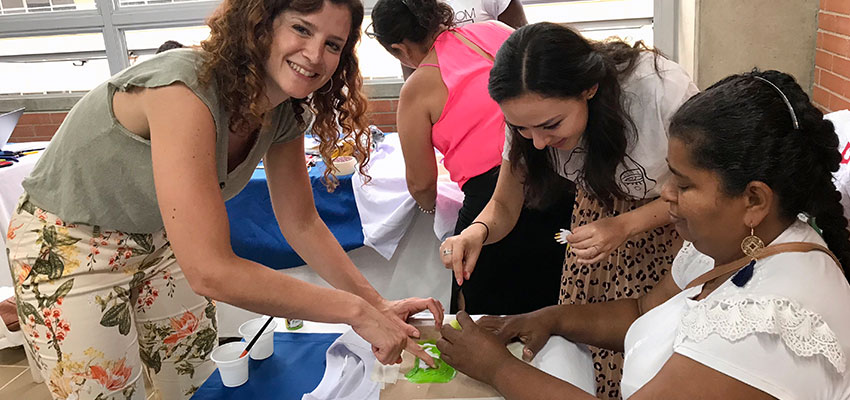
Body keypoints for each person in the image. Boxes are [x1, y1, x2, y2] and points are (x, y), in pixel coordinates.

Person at [4, 0, 443, 398]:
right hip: (67, 243)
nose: (314, 54)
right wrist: (354, 313)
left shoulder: (282, 112)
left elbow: (302, 223)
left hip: (158, 242)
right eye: (302, 29)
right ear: (261, 25)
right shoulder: (184, 87)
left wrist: (376, 305)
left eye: (333, 44)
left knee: (196, 382)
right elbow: (211, 271)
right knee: (105, 392)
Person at [436, 70, 850, 399]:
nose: (664, 194)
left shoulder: (768, 326)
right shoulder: (728, 246)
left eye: (684, 185)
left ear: (754, 200)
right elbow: (643, 310)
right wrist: (549, 317)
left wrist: (498, 369)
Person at [438, 22, 698, 397]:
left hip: (675, 226)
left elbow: (701, 190)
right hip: (601, 228)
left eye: (551, 125)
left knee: (655, 346)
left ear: (589, 88)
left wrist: (625, 225)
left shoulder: (658, 91)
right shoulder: (528, 113)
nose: (540, 143)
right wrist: (475, 232)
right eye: (524, 130)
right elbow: (504, 203)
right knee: (590, 348)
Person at [369, 0, 572, 315]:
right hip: (559, 170)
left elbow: (422, 183)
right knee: (559, 298)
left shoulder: (417, 88)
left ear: (400, 49)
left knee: (479, 312)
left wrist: (431, 208)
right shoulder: (496, 30)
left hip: (494, 195)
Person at [393, 0, 527, 79]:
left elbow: (521, 42)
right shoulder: (410, 5)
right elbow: (408, 55)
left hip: (498, 81)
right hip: (443, 89)